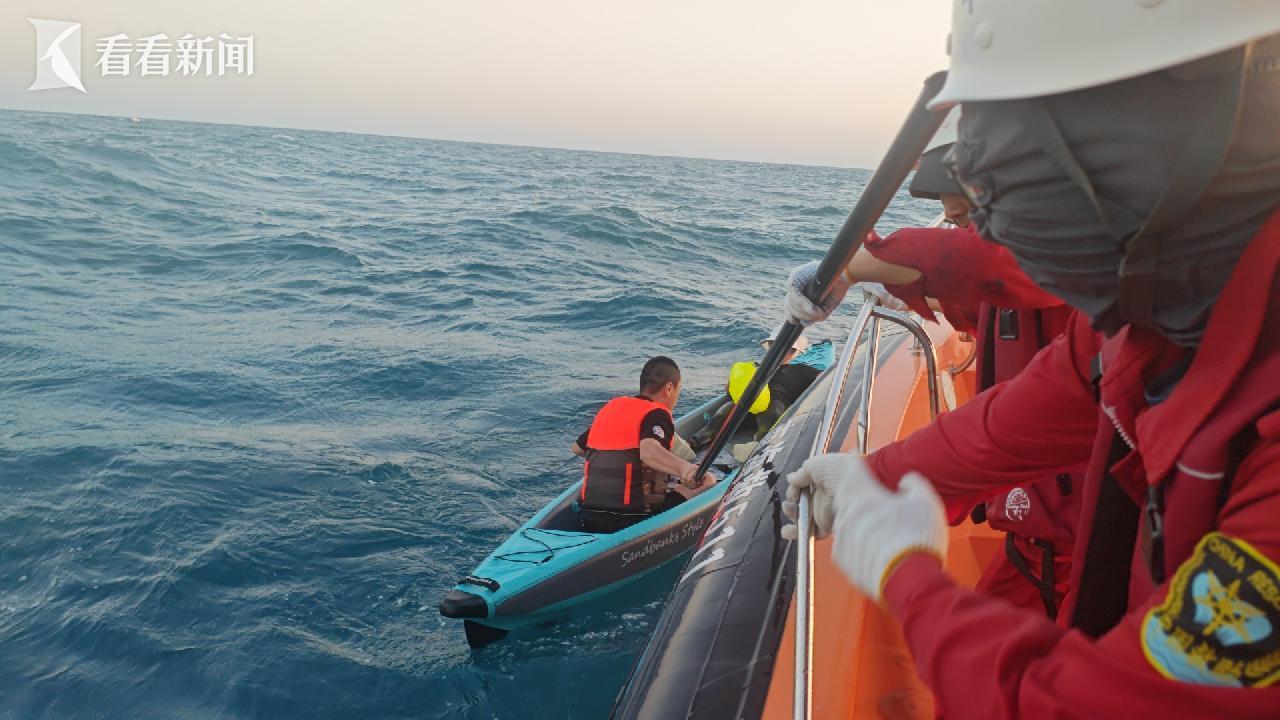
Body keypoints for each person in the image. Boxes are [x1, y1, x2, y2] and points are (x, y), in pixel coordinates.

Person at [783, 7, 1280, 717]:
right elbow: (1007, 428)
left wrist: (907, 576)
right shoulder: (1149, 327)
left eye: (1005, 175)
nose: (990, 219)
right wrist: (873, 478)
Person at [815, 114, 1083, 618]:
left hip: (1074, 534)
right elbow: (987, 304)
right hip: (1039, 528)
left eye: (964, 204)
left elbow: (993, 264)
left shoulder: (1070, 258)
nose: (953, 216)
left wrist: (851, 268)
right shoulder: (1037, 282)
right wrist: (903, 292)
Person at [572, 356, 717, 533]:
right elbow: (648, 452)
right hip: (634, 520)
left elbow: (578, 449)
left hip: (590, 516)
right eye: (678, 391)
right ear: (669, 388)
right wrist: (685, 469)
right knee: (708, 480)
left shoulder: (612, 408)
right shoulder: (657, 413)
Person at [690, 326, 822, 449]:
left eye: (788, 349)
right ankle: (696, 441)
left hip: (774, 414)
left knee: (774, 408)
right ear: (769, 346)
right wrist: (735, 381)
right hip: (747, 410)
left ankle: (759, 448)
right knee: (729, 407)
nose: (781, 351)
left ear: (794, 353)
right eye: (775, 345)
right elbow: (730, 392)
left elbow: (824, 384)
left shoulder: (803, 371)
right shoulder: (755, 368)